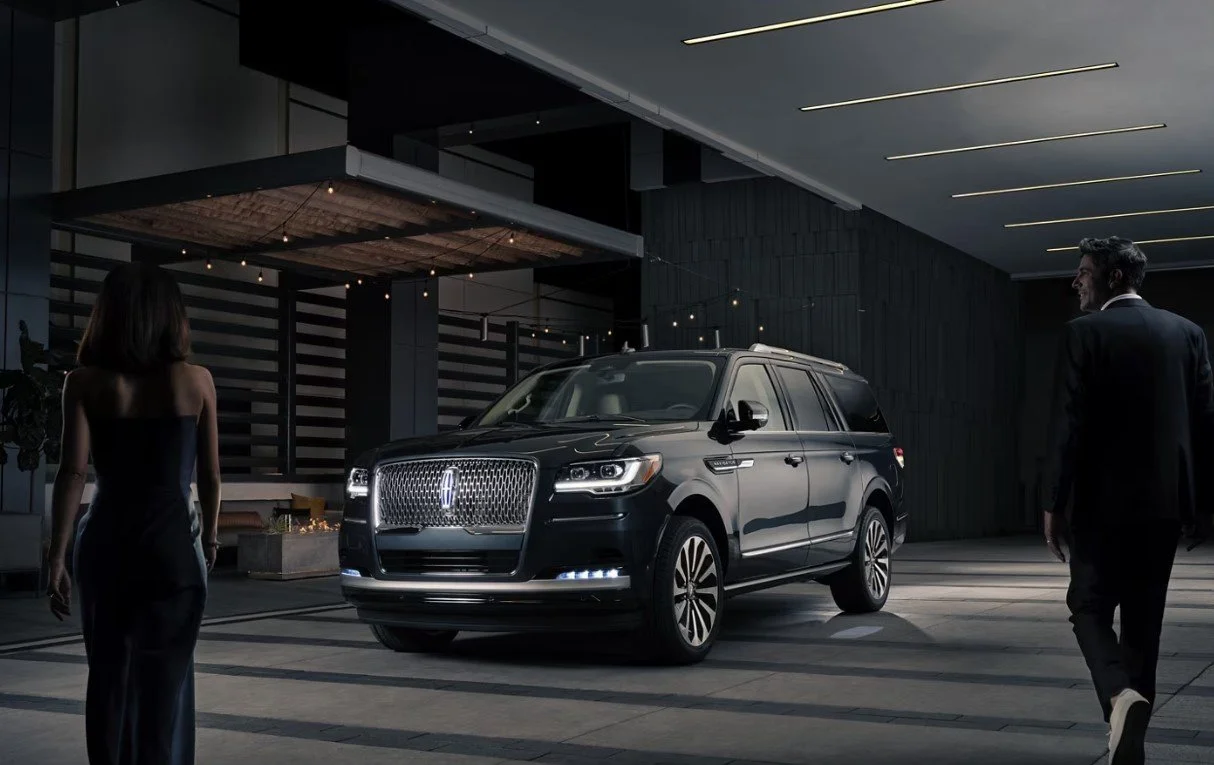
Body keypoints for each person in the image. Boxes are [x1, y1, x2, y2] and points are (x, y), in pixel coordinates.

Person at [1043, 236, 1214, 765]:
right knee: (1144, 623)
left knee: (1087, 605)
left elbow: (1067, 424)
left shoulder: (1083, 334)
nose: (1076, 281)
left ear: (1114, 277)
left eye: (1083, 271)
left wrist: (1053, 502)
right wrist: (1202, 504)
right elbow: (1206, 428)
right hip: (1164, 507)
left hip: (1101, 504)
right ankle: (1128, 746)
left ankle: (1119, 697)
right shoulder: (1188, 334)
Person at [46, 261, 222, 765]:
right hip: (171, 550)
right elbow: (210, 476)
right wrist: (209, 538)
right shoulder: (197, 381)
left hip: (106, 547)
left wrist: (57, 556)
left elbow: (72, 474)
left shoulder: (82, 383)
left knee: (107, 681)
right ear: (172, 316)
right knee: (162, 694)